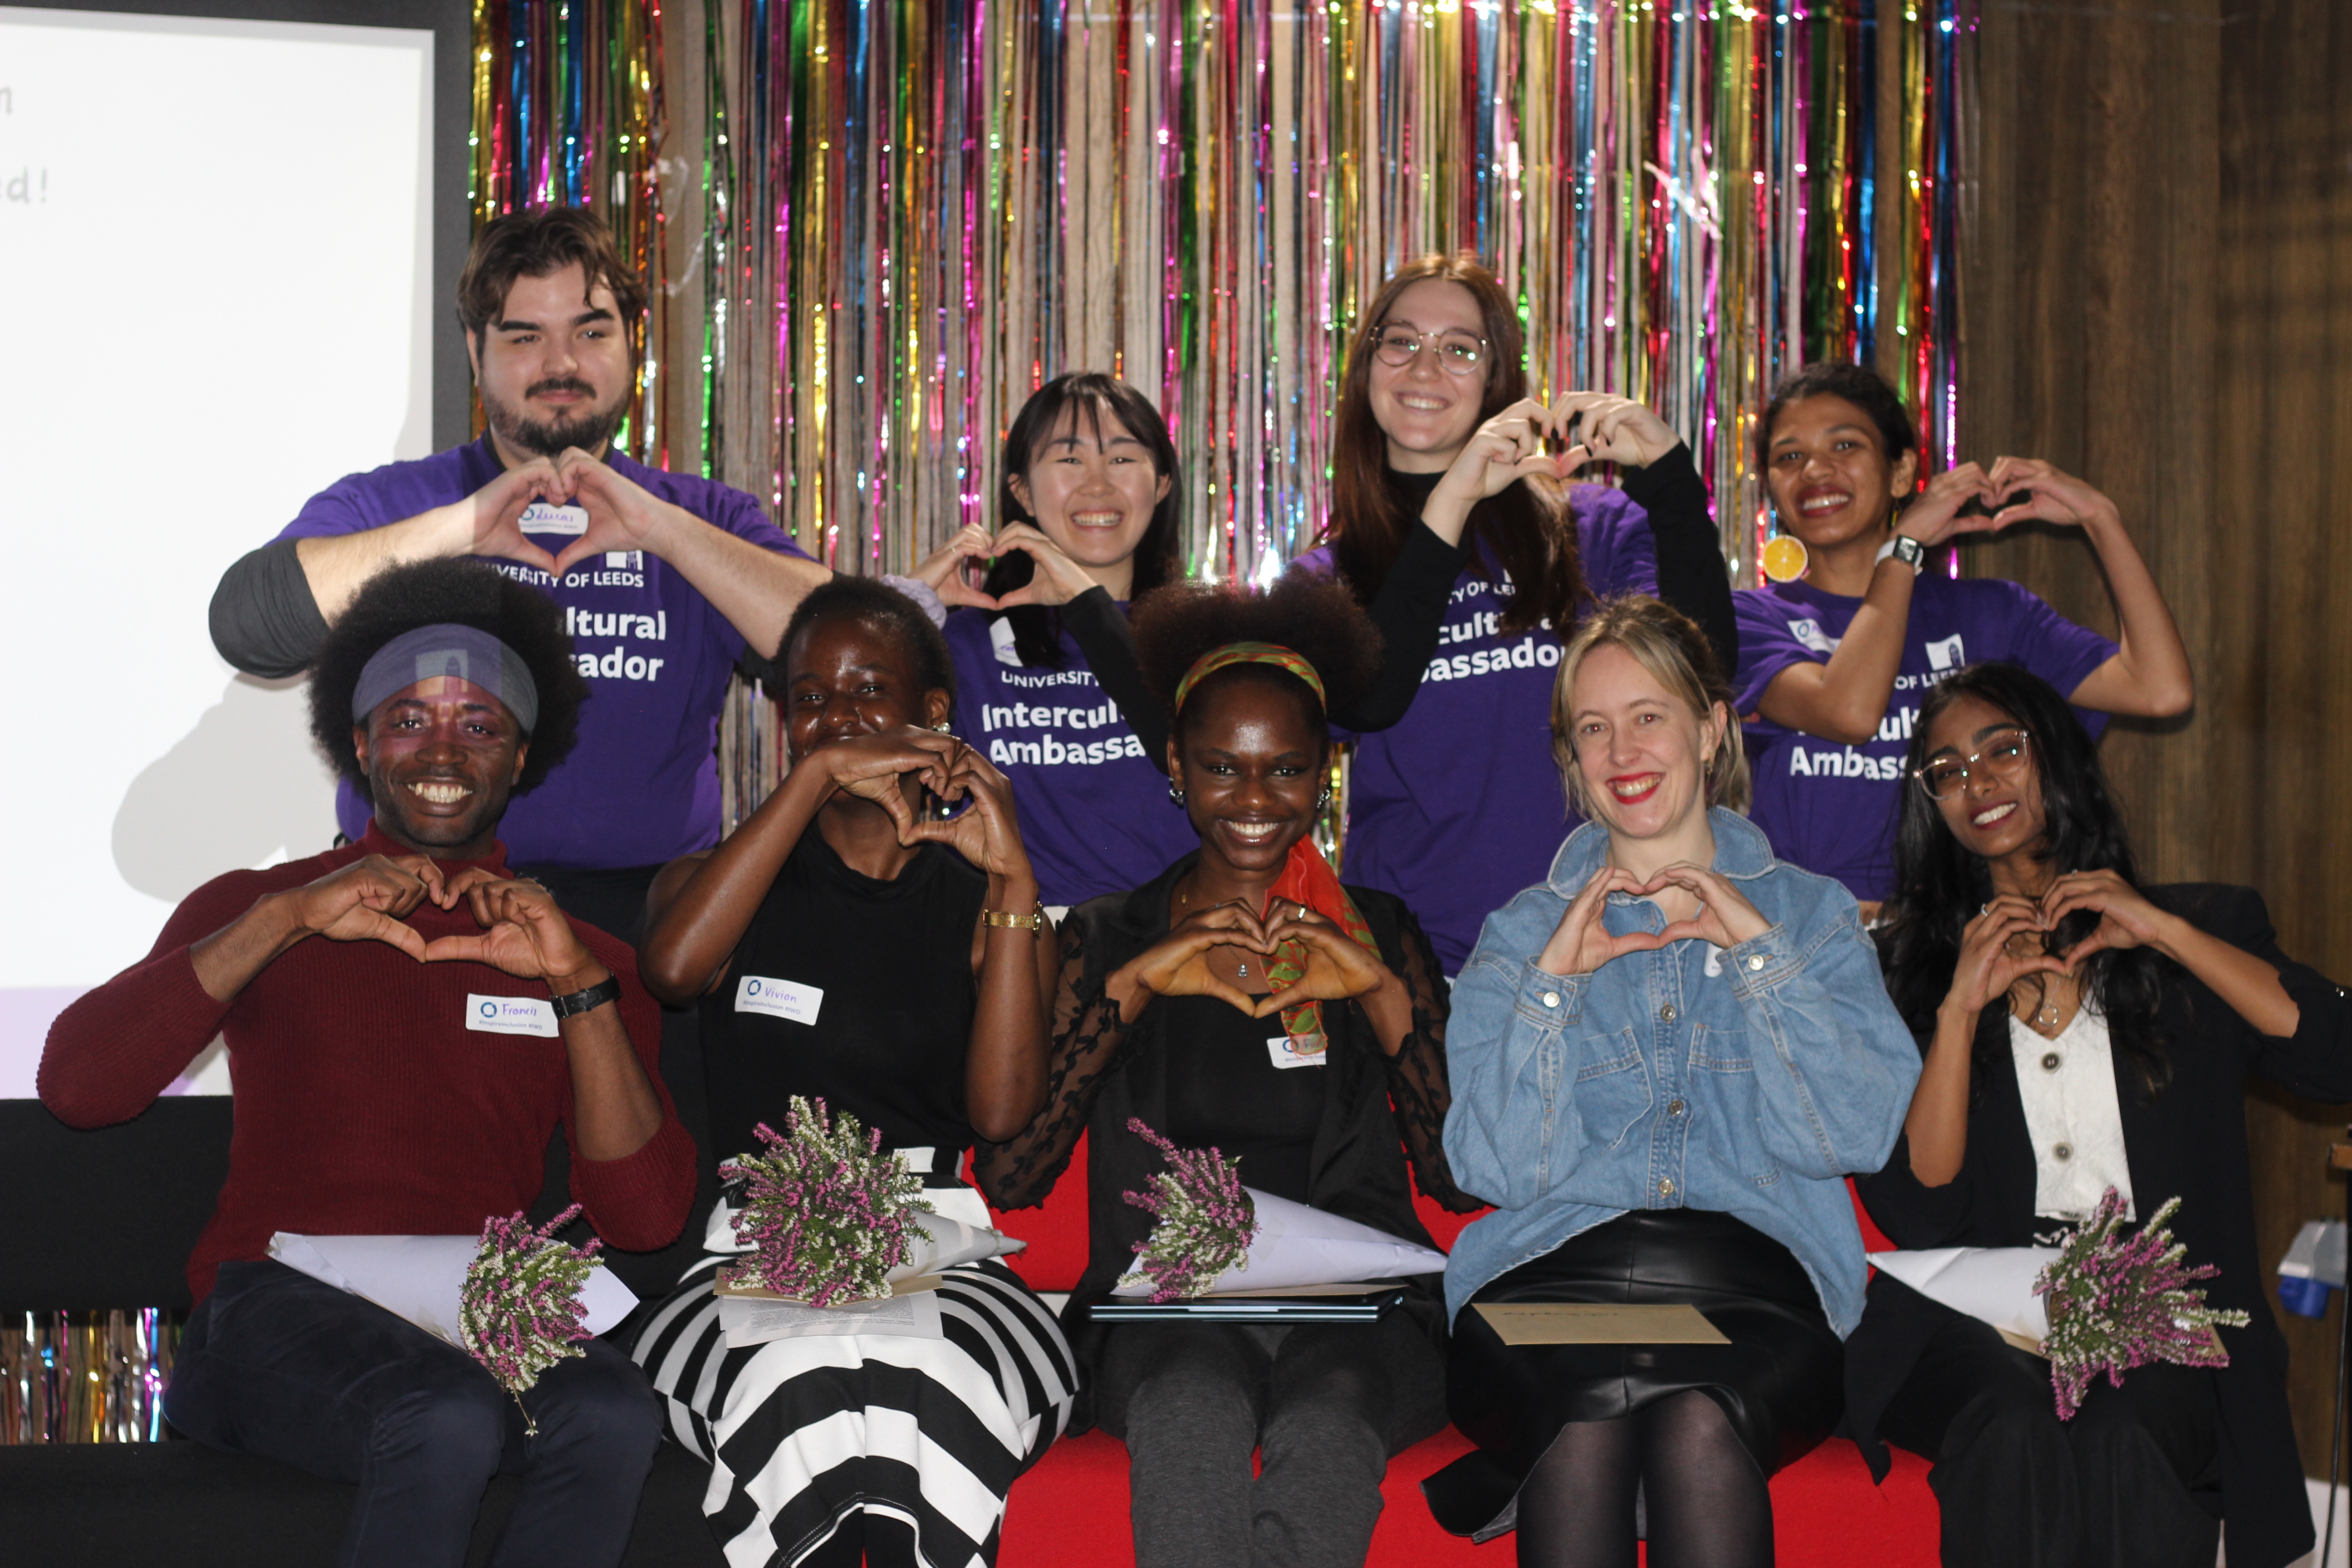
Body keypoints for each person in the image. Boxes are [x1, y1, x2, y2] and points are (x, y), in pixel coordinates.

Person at [40, 558, 695, 1568]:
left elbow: (647, 1220)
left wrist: (574, 986)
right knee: (444, 1411)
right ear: (358, 745)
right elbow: (79, 1088)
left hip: (485, 1310)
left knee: (612, 1413)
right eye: (408, 720)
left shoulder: (586, 957)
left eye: (479, 725)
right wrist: (285, 919)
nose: (443, 749)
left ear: (519, 758)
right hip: (272, 1311)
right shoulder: (260, 908)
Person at [974, 575, 1480, 1568]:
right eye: (1222, 768)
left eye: (1286, 769)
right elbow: (1012, 1175)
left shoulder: (1379, 926)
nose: (1254, 801)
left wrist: (1375, 988)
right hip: (1172, 1310)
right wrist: (1136, 985)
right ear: (1176, 765)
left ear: (1325, 773)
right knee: (1188, 1409)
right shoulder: (1111, 930)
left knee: (1333, 1418)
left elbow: (1461, 1174)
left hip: (1361, 1315)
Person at [1428, 595, 1920, 1567]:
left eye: (1649, 715)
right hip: (1545, 1284)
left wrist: (1759, 956)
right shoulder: (1523, 935)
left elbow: (1853, 1137)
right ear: (1572, 761)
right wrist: (1554, 993)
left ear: (1711, 728)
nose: (1622, 751)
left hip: (1758, 1294)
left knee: (1698, 1419)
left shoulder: (1812, 917)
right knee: (1584, 1419)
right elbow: (1493, 1170)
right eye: (1592, 729)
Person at [207, 204, 831, 942]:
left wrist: (659, 531)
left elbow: (851, 648)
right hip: (414, 921)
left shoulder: (700, 517)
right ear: (475, 350)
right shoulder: (393, 504)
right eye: (524, 336)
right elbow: (248, 626)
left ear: (634, 344)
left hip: (644, 936)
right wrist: (463, 528)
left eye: (590, 332)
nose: (561, 364)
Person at [1847, 662, 2352, 1568]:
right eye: (1950, 769)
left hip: (2157, 1309)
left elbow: (2334, 1054)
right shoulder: (1915, 970)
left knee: (2130, 1430)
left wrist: (2163, 931)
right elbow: (1920, 1211)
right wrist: (1961, 1009)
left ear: (2059, 759)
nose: (1980, 781)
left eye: (2003, 748)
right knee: (2011, 1421)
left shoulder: (2200, 927)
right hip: (1984, 1318)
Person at [627, 576, 1077, 1568]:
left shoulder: (983, 898)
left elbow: (1002, 1113)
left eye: (868, 690)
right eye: (810, 697)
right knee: (800, 1381)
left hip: (944, 1243)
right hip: (751, 1247)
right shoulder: (716, 883)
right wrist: (813, 780)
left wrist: (1015, 880)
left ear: (932, 717)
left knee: (925, 1377)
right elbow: (674, 969)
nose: (837, 717)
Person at [1293, 254, 1739, 973]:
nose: (1425, 367)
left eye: (1460, 349)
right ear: (1366, 365)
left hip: (1619, 944)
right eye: (1400, 340)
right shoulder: (1325, 579)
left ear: (1499, 379)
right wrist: (1447, 510)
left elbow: (1707, 669)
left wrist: (1669, 474)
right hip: (1427, 966)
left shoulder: (1591, 528)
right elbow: (1367, 702)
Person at [1733, 361, 2192, 911]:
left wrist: (2102, 519)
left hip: (1955, 945)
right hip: (1801, 945)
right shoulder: (1747, 619)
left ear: (1902, 474)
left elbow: (2160, 689)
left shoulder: (1988, 611)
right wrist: (1901, 553)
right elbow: (1850, 712)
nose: (1815, 471)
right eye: (1790, 457)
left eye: (1845, 447)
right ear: (1771, 487)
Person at [912, 373, 1201, 907]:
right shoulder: (966, 640)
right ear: (1021, 490)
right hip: (1012, 951)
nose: (1098, 485)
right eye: (1069, 460)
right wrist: (906, 606)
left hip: (1179, 947)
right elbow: (841, 732)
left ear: (1162, 483)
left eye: (1122, 458)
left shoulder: (1206, 633)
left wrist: (1088, 605)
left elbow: (1195, 757)